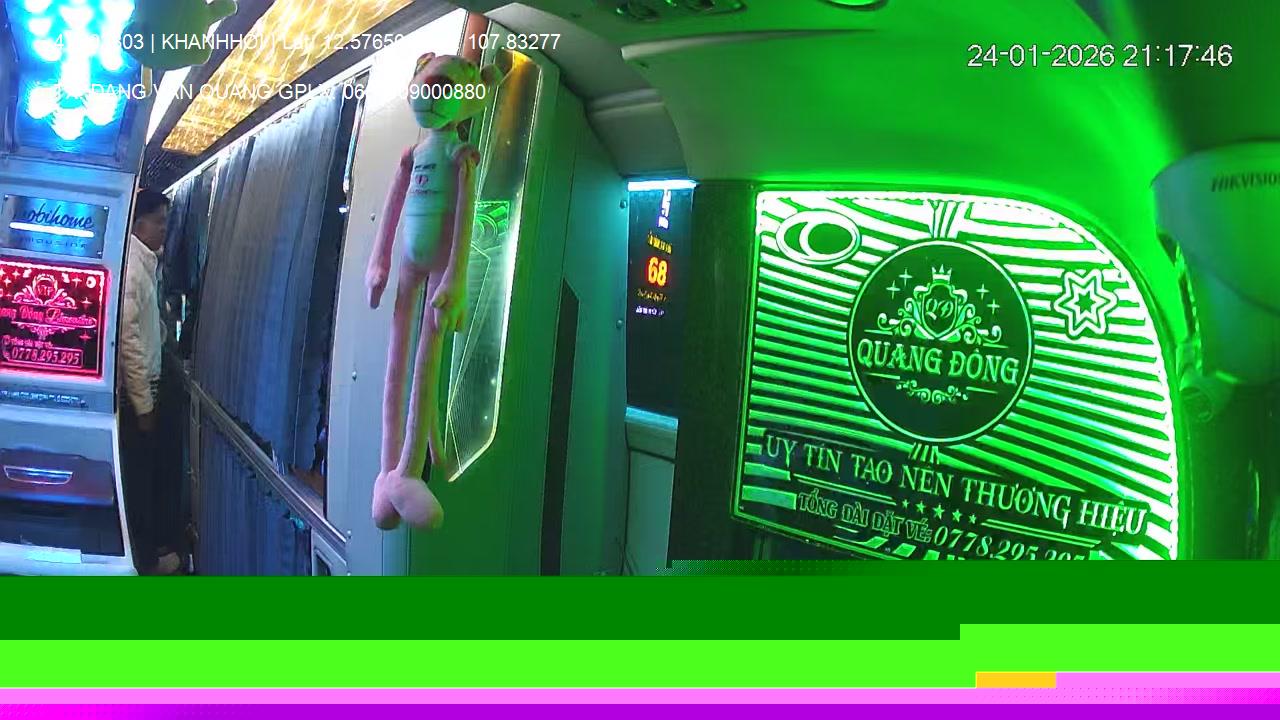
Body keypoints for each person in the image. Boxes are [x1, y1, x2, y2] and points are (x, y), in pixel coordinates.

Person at [119, 188, 180, 575]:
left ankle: (148, 551)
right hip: (138, 396)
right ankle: (145, 560)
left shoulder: (145, 264)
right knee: (140, 481)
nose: (164, 230)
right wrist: (143, 405)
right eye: (159, 222)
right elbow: (128, 341)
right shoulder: (133, 268)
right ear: (139, 224)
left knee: (146, 477)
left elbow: (143, 325)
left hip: (145, 390)